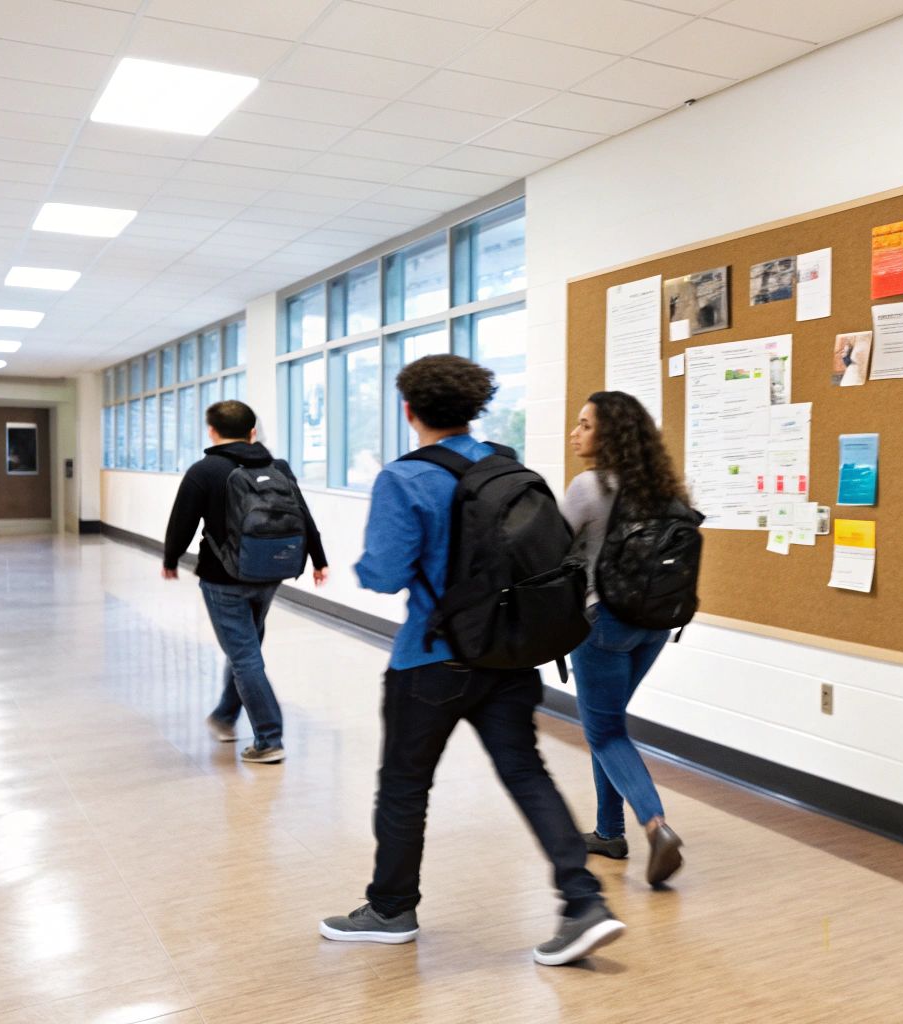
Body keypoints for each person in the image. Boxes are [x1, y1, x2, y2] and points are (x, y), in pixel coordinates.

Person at [320, 354, 623, 966]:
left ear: (410, 411)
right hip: (509, 655)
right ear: (475, 409)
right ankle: (583, 900)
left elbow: (383, 574)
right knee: (526, 773)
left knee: (405, 784)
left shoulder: (404, 479)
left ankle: (391, 907)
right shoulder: (509, 470)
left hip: (430, 661)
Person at [564, 391, 686, 887]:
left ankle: (655, 826)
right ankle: (609, 832)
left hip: (602, 624)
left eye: (585, 424)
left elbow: (549, 545)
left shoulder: (588, 486)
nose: (576, 432)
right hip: (655, 625)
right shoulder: (665, 490)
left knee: (606, 730)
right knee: (608, 724)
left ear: (608, 434)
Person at [163, 400, 328, 765]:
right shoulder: (277, 466)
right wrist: (319, 559)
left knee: (244, 655)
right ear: (253, 432)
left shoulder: (204, 470)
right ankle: (224, 715)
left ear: (212, 431)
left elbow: (182, 521)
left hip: (223, 578)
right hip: (271, 574)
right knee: (245, 649)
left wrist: (171, 559)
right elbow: (302, 513)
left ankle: (269, 739)